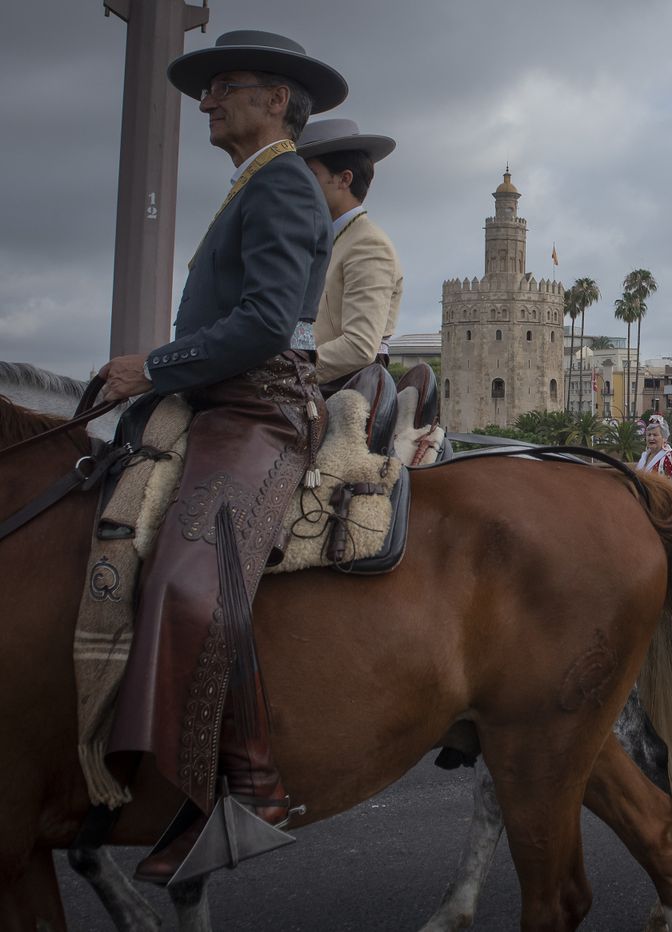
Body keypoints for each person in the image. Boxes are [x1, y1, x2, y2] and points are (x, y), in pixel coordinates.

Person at [96, 30, 346, 883]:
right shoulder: (256, 181)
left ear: (275, 100)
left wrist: (154, 365)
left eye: (224, 85)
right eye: (207, 90)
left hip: (260, 407)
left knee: (187, 575)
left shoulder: (283, 181)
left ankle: (249, 785)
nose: (205, 101)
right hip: (218, 398)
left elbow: (267, 323)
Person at [297, 118, 404, 389]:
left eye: (310, 175)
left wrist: (286, 372)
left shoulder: (368, 244)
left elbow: (359, 345)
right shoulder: (326, 240)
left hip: (338, 387)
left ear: (344, 179)